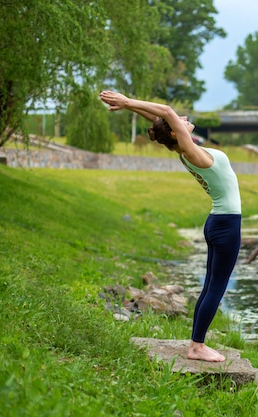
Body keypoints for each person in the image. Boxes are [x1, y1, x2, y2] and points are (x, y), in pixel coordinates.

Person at [99, 90, 241, 362]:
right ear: (177, 133)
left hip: (217, 222)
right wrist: (127, 101)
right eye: (180, 121)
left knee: (211, 286)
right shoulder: (190, 150)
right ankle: (197, 346)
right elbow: (165, 112)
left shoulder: (186, 150)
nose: (183, 118)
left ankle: (196, 343)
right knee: (216, 287)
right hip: (226, 225)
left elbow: (161, 119)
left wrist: (131, 108)